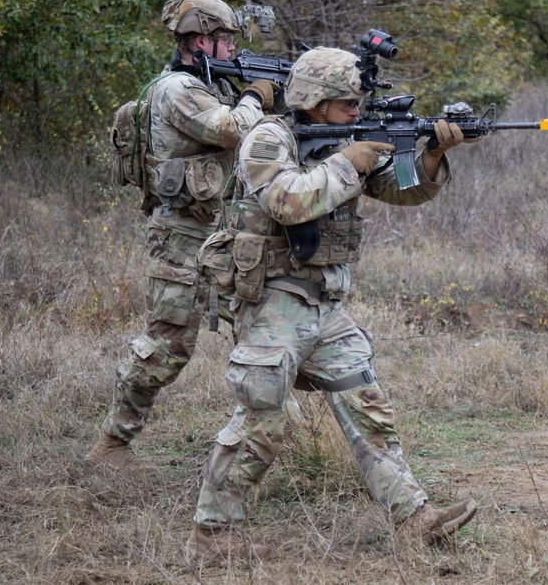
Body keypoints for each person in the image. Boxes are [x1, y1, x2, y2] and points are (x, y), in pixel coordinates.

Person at [185, 46, 477, 562]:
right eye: (345, 103)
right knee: (262, 418)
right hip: (271, 299)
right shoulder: (269, 137)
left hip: (322, 303)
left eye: (357, 103)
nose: (356, 113)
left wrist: (430, 154)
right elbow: (288, 202)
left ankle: (415, 517)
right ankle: (211, 533)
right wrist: (348, 162)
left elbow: (401, 190)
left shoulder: (344, 138)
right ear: (314, 102)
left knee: (367, 405)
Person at [87, 0, 278, 472]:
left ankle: (270, 444)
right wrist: (256, 95)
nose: (231, 49)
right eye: (224, 40)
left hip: (223, 234)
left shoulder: (209, 85)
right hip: (183, 235)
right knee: (168, 345)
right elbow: (234, 129)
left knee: (265, 336)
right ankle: (112, 445)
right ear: (198, 41)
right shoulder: (178, 90)